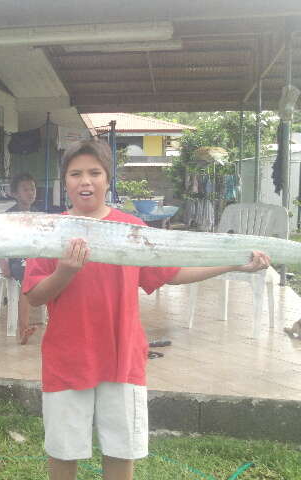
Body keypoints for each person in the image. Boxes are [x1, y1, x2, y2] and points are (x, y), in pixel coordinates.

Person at [22, 139, 271, 480]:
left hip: (123, 359)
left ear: (108, 180)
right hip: (67, 361)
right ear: (64, 181)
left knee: (121, 454)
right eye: (76, 173)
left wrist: (231, 264)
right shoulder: (50, 231)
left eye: (95, 173)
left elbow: (173, 272)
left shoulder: (132, 229)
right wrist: (65, 270)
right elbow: (34, 296)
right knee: (64, 454)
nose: (85, 181)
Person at [0, 173, 39, 344]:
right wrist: (3, 261)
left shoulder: (38, 214)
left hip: (34, 255)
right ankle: (23, 328)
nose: (30, 193)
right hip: (15, 258)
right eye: (25, 189)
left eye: (33, 188)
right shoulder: (9, 216)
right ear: (14, 193)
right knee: (27, 275)